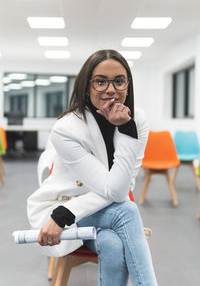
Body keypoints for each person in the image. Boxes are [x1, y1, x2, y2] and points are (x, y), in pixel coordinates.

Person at [27, 49, 158, 286]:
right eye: (100, 81)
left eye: (119, 81)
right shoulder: (66, 129)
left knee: (111, 243)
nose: (111, 89)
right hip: (67, 206)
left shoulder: (137, 119)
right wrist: (63, 214)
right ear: (86, 86)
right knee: (126, 210)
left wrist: (127, 129)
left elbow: (122, 186)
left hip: (103, 209)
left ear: (128, 85)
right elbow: (117, 194)